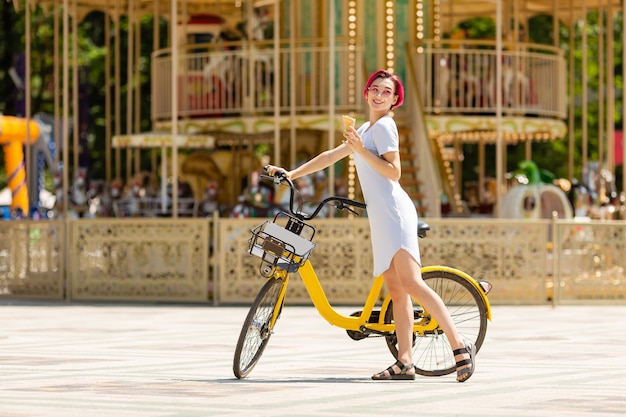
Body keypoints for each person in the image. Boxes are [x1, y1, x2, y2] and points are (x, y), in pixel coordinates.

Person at [265, 69, 476, 382]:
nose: (379, 95)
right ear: (366, 94)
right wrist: (292, 174)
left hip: (395, 212)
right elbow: (330, 156)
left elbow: (394, 172)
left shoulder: (386, 127)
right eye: (374, 89)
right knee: (395, 289)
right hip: (380, 216)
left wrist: (361, 150)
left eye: (386, 92)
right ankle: (405, 361)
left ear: (395, 101)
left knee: (413, 283)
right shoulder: (366, 127)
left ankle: (460, 347)